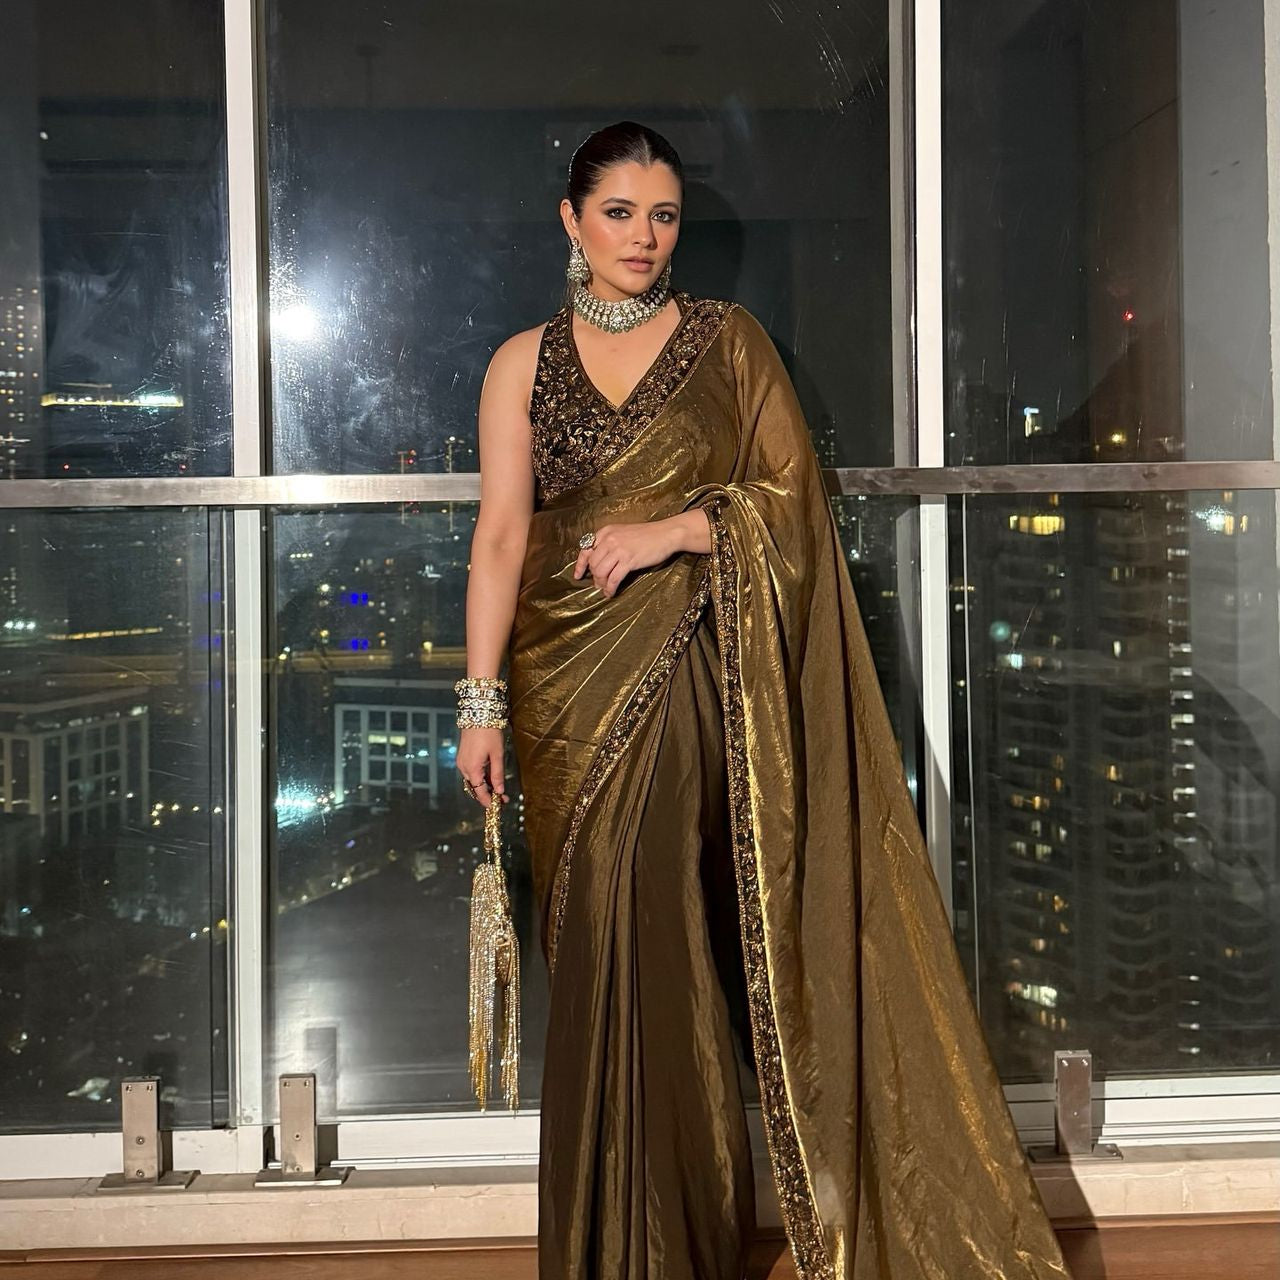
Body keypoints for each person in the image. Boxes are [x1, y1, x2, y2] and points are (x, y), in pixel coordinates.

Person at [455, 121, 1072, 1280]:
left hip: (685, 668)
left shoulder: (726, 343)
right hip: (557, 685)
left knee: (662, 931)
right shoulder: (518, 363)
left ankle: (674, 1240)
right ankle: (601, 1242)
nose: (643, 237)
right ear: (571, 220)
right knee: (590, 952)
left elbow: (789, 501)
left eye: (663, 215)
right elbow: (497, 537)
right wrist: (478, 700)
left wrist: (674, 531)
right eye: (619, 213)